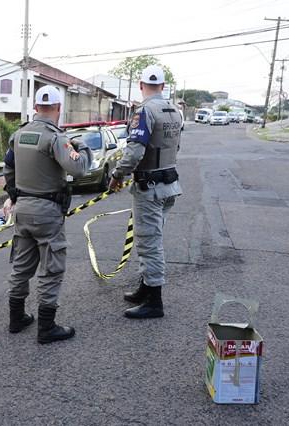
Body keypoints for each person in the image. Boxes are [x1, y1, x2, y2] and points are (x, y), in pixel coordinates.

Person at [3, 85, 92, 344]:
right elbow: (78, 169)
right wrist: (82, 147)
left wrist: (15, 194)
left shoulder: (19, 136)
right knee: (51, 269)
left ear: (35, 107)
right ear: (59, 108)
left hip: (22, 210)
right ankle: (47, 327)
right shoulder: (56, 138)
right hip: (48, 213)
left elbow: (8, 168)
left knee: (21, 266)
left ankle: (16, 318)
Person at [109, 65, 182, 319]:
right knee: (150, 237)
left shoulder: (144, 112)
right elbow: (176, 147)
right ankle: (145, 287)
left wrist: (118, 174)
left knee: (150, 243)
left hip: (149, 187)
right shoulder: (176, 112)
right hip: (169, 184)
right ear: (163, 86)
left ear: (141, 85)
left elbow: (135, 151)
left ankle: (154, 301)